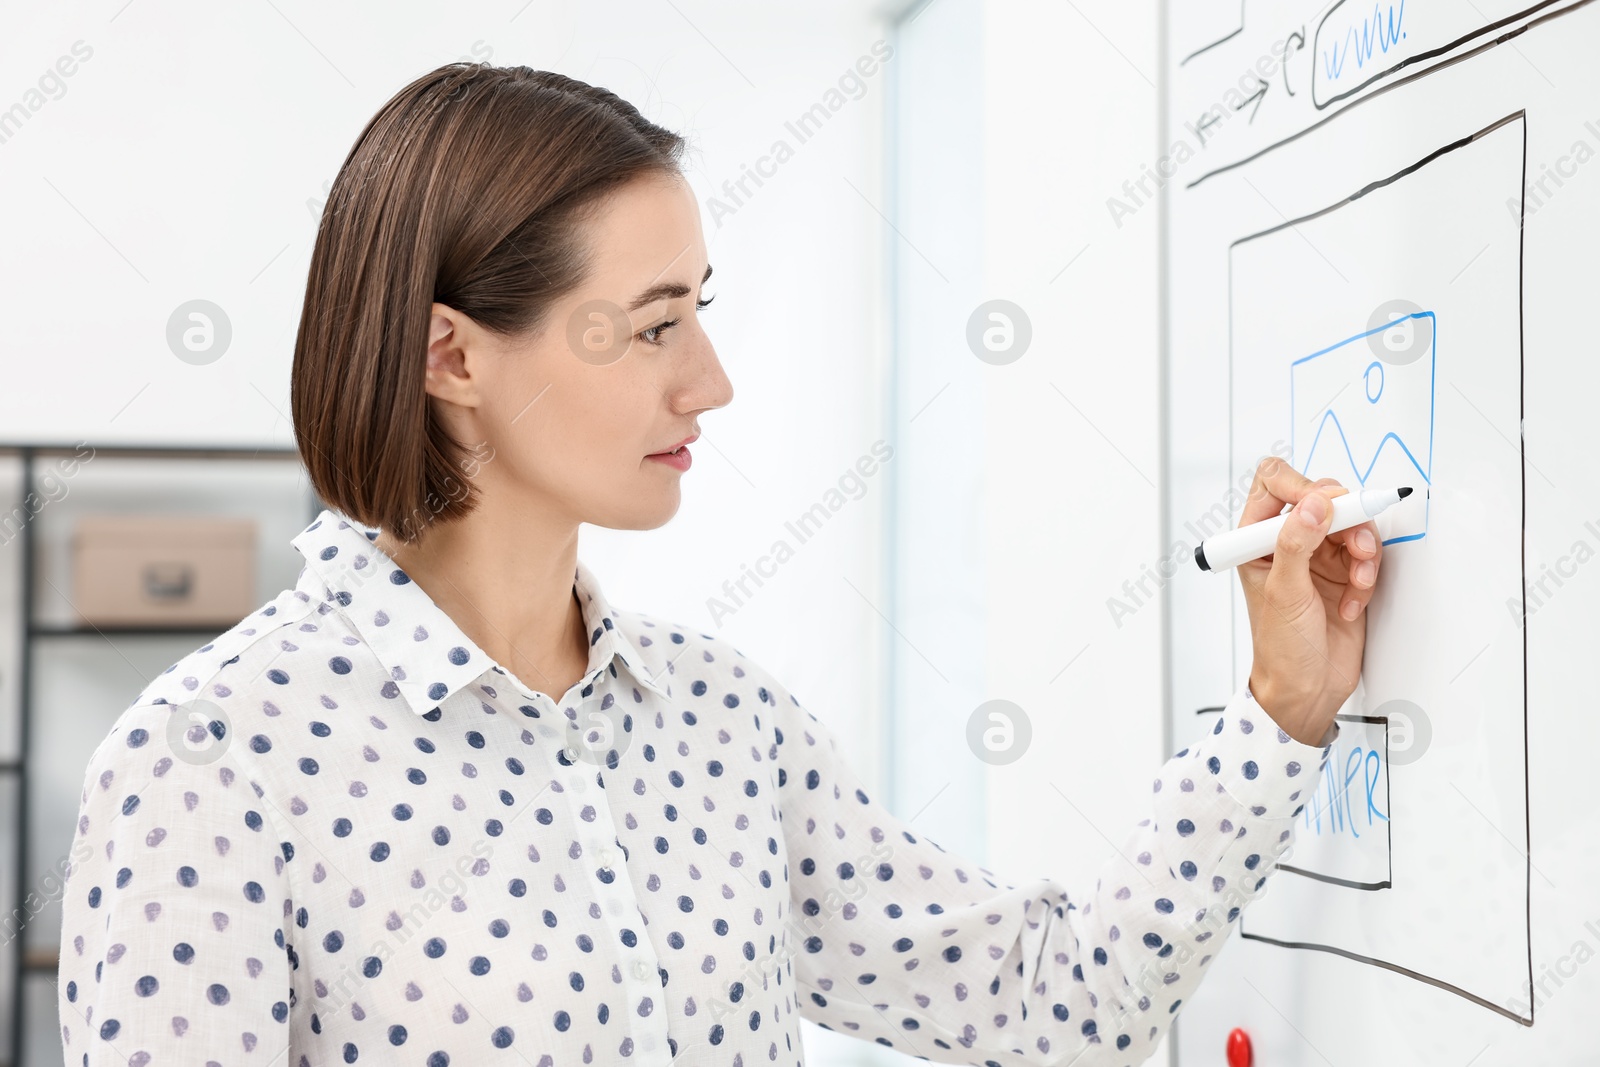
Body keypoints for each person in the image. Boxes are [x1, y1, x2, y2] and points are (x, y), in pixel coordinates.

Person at [55, 64, 1385, 1067]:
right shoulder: (212, 762)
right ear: (452, 357)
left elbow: (1055, 994)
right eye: (649, 329)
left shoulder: (722, 728)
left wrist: (1278, 709)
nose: (712, 381)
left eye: (704, 311)